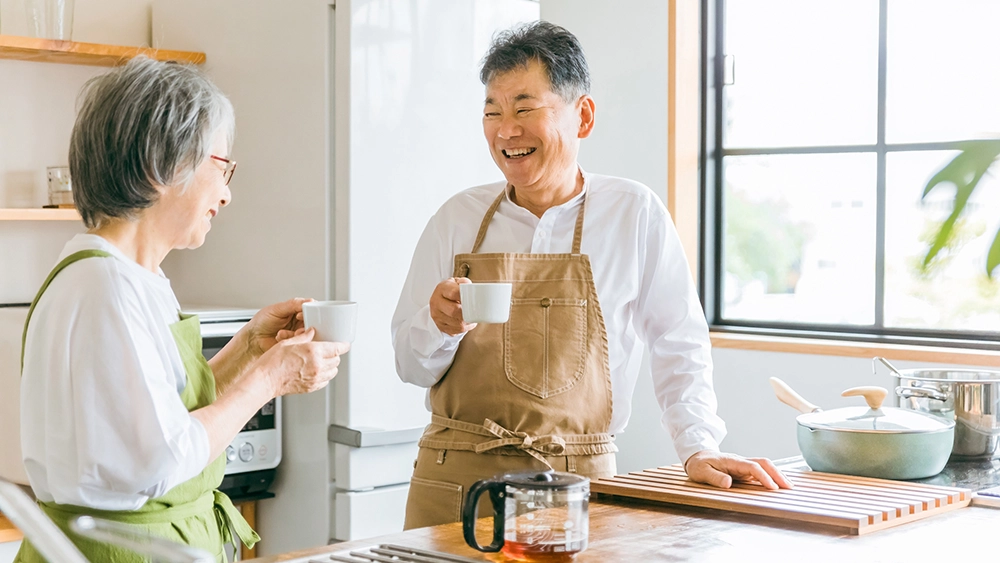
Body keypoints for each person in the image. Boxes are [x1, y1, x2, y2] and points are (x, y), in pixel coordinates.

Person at [391, 21, 792, 529]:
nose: (505, 130)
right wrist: (438, 325)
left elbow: (678, 341)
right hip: (454, 483)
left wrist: (698, 446)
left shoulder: (633, 212)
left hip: (577, 484)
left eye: (524, 108)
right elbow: (410, 365)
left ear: (583, 116)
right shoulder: (456, 218)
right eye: (492, 112)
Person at [16, 57, 350, 562]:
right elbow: (161, 458)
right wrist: (269, 379)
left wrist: (247, 349)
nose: (227, 193)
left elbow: (160, 415)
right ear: (161, 166)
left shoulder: (134, 278)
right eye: (222, 167)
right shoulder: (106, 288)